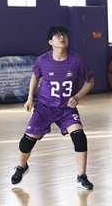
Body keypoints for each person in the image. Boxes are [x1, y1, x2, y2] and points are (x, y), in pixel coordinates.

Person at [11, 25, 95, 190]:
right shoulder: (43, 60)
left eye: (64, 35)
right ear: (50, 42)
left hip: (66, 109)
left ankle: (81, 176)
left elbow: (90, 81)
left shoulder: (77, 60)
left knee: (80, 138)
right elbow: (35, 77)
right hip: (44, 108)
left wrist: (77, 97)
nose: (62, 37)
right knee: (26, 142)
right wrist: (30, 98)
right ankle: (22, 166)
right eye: (57, 36)